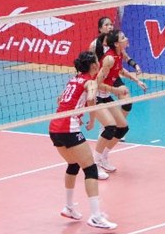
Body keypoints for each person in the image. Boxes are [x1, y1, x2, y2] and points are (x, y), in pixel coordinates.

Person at [49, 51, 117, 230]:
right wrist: (93, 119)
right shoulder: (90, 82)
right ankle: (95, 216)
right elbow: (90, 99)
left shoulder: (73, 80)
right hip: (68, 128)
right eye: (97, 62)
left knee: (73, 164)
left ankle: (69, 207)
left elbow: (60, 99)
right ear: (94, 66)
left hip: (54, 127)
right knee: (91, 169)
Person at [93, 29, 137, 174]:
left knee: (123, 127)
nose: (126, 38)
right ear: (117, 43)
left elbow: (120, 71)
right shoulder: (109, 58)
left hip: (106, 96)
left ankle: (104, 157)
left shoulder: (118, 56)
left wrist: (137, 80)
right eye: (123, 37)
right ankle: (95, 163)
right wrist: (116, 91)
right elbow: (97, 83)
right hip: (96, 96)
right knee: (109, 127)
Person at [87, 16, 146, 123]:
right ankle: (109, 125)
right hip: (101, 77)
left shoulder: (116, 45)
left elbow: (124, 61)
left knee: (127, 101)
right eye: (106, 25)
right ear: (100, 29)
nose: (110, 27)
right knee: (101, 103)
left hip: (113, 75)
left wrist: (136, 69)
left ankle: (118, 125)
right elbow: (90, 65)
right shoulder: (95, 45)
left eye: (111, 24)